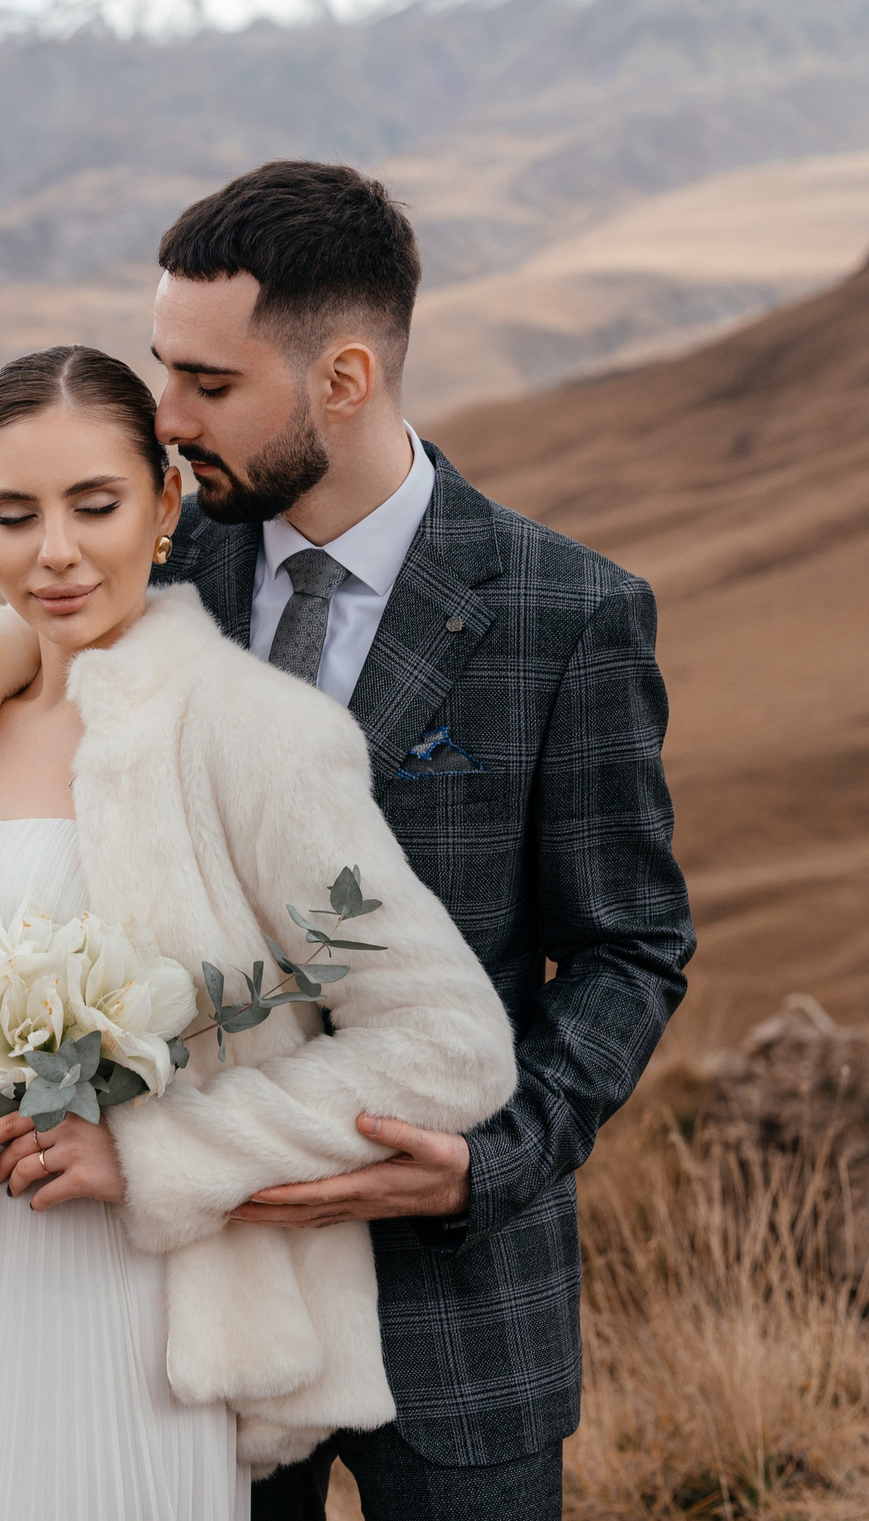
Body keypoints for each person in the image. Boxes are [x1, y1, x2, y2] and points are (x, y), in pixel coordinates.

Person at [0, 343, 521, 1520]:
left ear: (162, 504)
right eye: (14, 513)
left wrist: (156, 1153)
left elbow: (446, 1039)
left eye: (93, 504)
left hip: (124, 1311)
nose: (53, 550)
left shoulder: (247, 731)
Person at [146, 161, 696, 1519]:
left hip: (461, 1311)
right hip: (199, 1301)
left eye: (209, 384)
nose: (164, 419)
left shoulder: (568, 614)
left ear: (342, 378)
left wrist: (492, 1159)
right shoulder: (150, 586)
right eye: (165, 369)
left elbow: (629, 946)